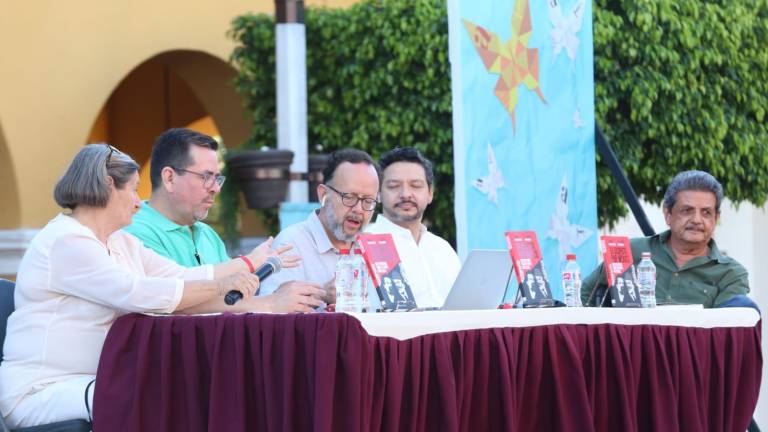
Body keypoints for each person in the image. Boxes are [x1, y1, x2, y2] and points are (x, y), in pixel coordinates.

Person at [0, 145, 320, 429]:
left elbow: (180, 276)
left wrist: (249, 265)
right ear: (109, 186)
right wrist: (227, 285)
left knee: (182, 389)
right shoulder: (65, 241)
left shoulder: (120, 241)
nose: (138, 202)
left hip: (95, 381)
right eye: (133, 189)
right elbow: (139, 293)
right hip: (42, 390)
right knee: (163, 399)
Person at [125, 128, 321, 313]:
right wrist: (269, 302)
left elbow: (233, 296)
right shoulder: (133, 231)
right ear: (169, 178)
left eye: (217, 178)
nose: (215, 189)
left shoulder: (207, 234)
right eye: (206, 177)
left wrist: (275, 288)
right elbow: (173, 299)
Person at [581, 170, 753, 309]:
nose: (697, 220)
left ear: (716, 218)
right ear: (668, 214)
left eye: (706, 212)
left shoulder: (731, 274)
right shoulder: (628, 251)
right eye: (687, 210)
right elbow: (585, 297)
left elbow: (724, 334)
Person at [258, 149, 380, 305]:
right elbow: (266, 317)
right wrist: (320, 294)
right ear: (324, 195)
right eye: (349, 197)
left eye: (368, 201)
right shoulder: (290, 244)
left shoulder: (376, 247)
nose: (359, 209)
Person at [366, 147, 461, 308]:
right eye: (394, 186)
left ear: (430, 193)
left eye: (416, 186)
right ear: (378, 194)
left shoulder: (443, 248)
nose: (405, 194)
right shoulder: (365, 243)